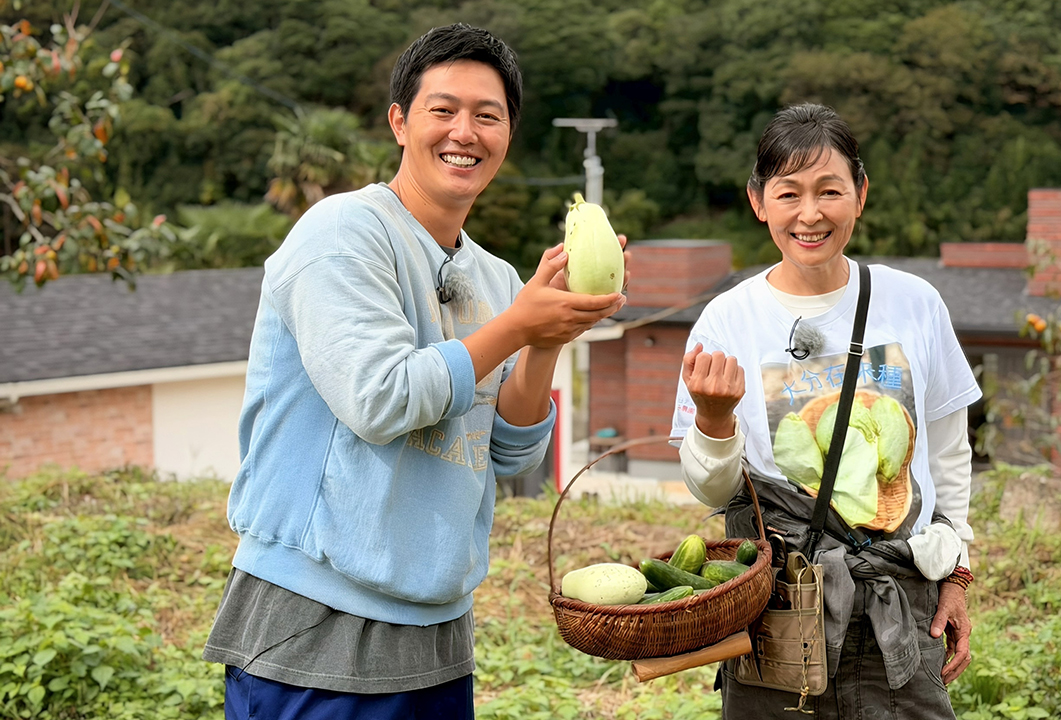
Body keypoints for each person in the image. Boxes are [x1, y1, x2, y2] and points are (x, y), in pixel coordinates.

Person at [202, 23, 627, 719]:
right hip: (315, 625)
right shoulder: (341, 234)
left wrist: (549, 335)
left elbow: (512, 453)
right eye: (443, 110)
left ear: (507, 136)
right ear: (400, 121)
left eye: (488, 116)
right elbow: (380, 397)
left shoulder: (494, 277)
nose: (466, 131)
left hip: (437, 632)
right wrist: (519, 324)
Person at [671, 103, 981, 719]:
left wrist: (958, 573)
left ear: (860, 194)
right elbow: (713, 490)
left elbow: (948, 453)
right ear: (759, 201)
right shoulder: (728, 320)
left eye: (830, 191)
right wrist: (712, 421)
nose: (810, 214)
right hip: (780, 607)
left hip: (900, 596)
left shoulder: (914, 303)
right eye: (789, 193)